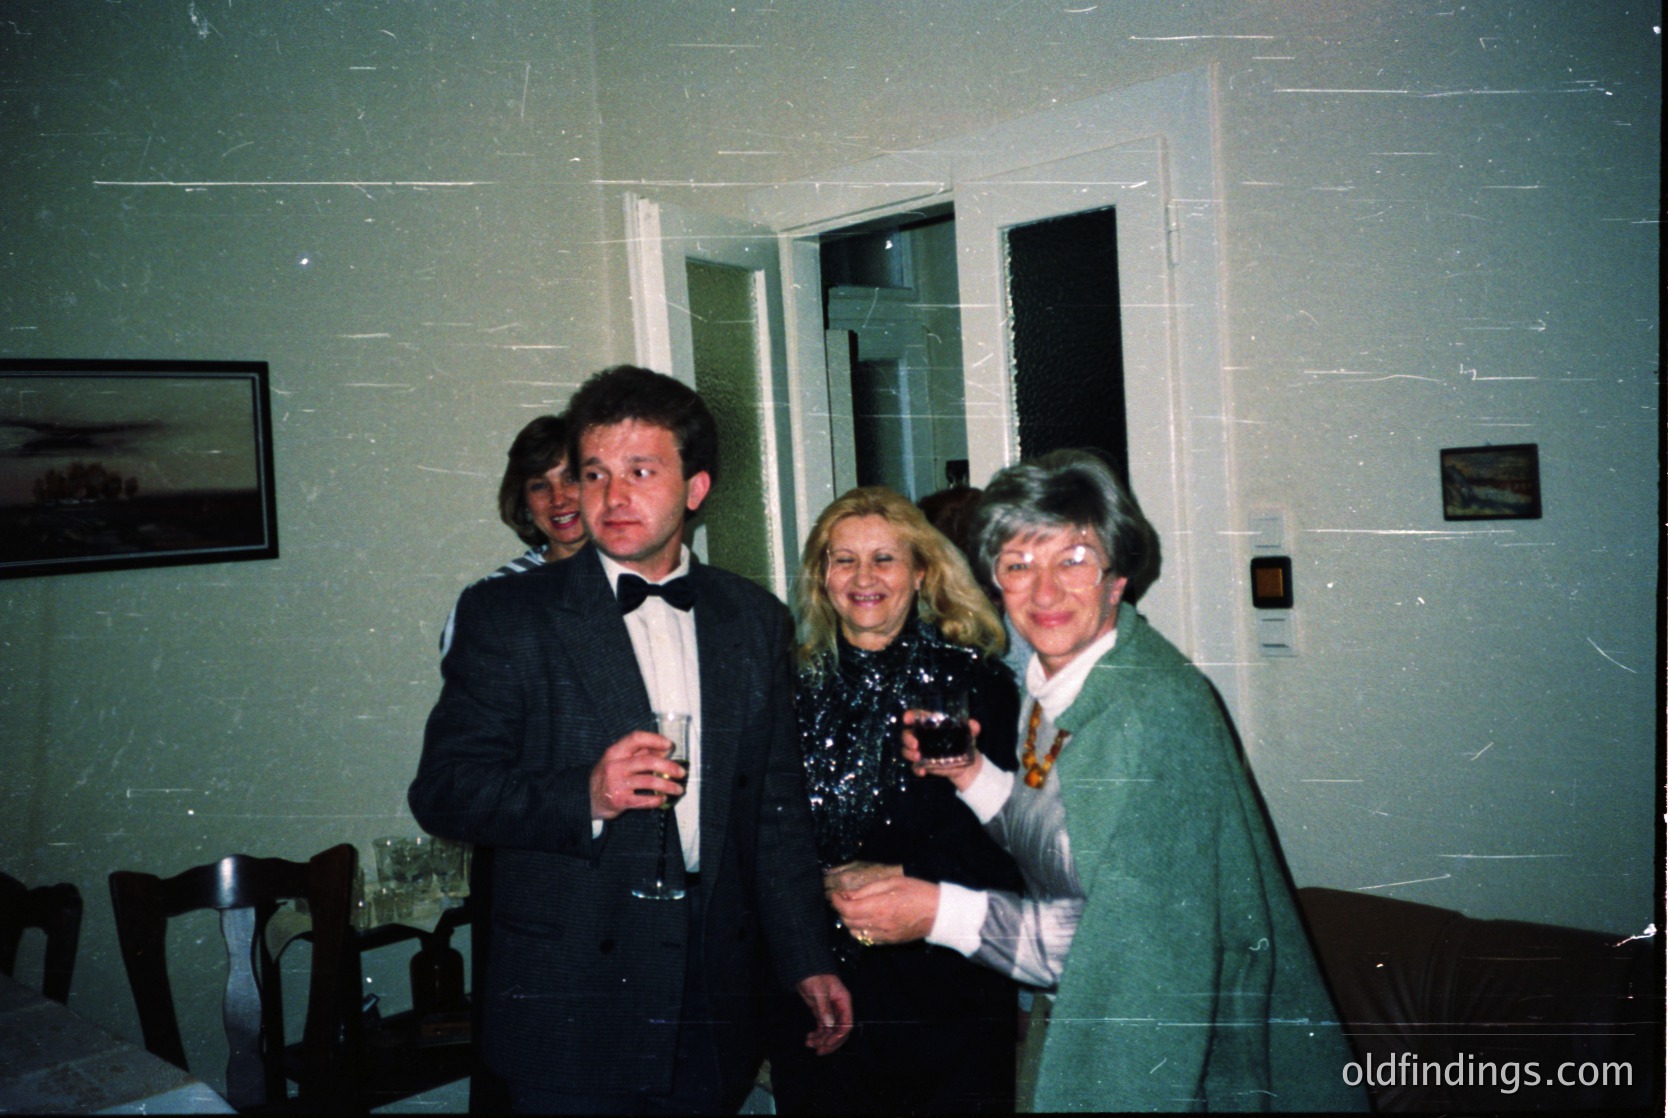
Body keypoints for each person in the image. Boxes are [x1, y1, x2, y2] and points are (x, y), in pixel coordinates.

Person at [840, 450, 1367, 1112]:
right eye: (1019, 565)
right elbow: (1070, 843)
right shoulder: (1059, 682)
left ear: (1117, 578)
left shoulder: (1150, 712)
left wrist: (935, 912)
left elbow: (1115, 951)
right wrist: (971, 774)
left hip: (1189, 1070)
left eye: (1073, 560)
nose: (1045, 591)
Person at [410, 365, 852, 1114]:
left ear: (696, 488)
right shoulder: (508, 615)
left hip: (715, 986)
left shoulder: (753, 620)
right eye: (595, 474)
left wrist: (807, 957)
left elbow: (775, 815)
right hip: (571, 990)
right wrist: (582, 794)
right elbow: (443, 791)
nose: (612, 498)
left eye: (640, 472)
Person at [766, 487, 1024, 1114]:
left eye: (884, 558)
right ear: (821, 577)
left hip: (944, 985)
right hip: (819, 979)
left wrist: (907, 876)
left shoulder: (974, 683)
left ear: (921, 571)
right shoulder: (783, 686)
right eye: (843, 559)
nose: (863, 578)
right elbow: (764, 834)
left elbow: (1011, 843)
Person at [438, 413, 587, 658]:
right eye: (539, 485)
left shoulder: (640, 580)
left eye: (570, 478)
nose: (558, 499)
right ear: (524, 501)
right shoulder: (491, 601)